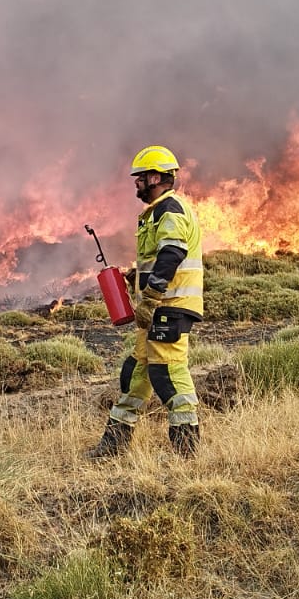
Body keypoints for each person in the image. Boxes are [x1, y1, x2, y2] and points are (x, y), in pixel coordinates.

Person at [86, 144, 204, 459]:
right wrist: (135, 277)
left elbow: (173, 254)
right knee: (135, 372)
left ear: (155, 177)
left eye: (140, 177)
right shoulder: (155, 212)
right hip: (155, 311)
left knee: (168, 373)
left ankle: (187, 449)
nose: (136, 183)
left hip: (169, 308)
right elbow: (158, 259)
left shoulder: (169, 209)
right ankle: (114, 444)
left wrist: (150, 296)